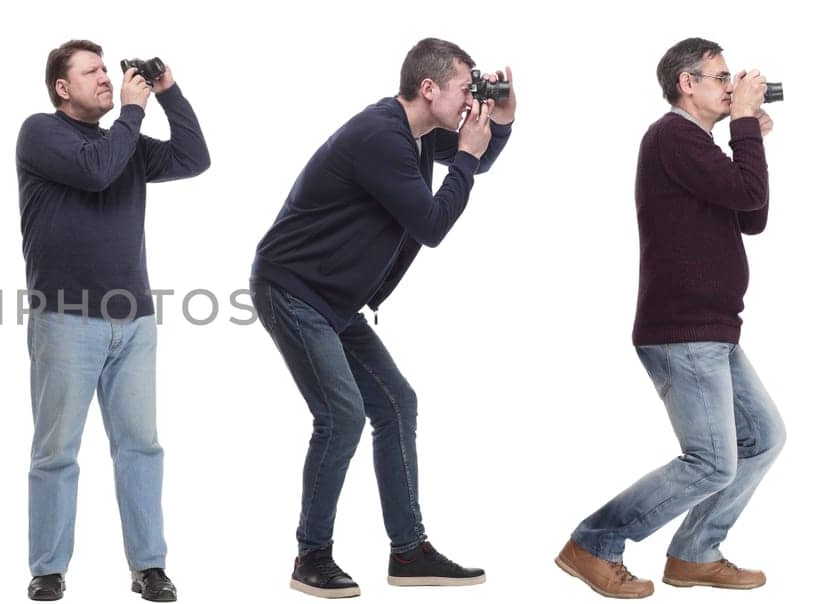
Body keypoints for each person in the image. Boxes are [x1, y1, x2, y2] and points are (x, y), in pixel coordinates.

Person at [248, 37, 513, 598]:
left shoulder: (414, 132)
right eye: (466, 89)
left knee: (396, 403)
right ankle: (311, 557)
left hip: (333, 300)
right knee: (341, 415)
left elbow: (476, 157)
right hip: (292, 289)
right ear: (428, 88)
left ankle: (409, 552)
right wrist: (465, 156)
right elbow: (433, 225)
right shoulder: (381, 136)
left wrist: (502, 123)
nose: (472, 99)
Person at [555, 37, 783, 600]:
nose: (733, 87)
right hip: (684, 330)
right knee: (711, 462)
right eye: (722, 77)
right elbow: (748, 191)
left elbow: (752, 214)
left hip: (715, 329)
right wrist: (746, 126)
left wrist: (746, 133)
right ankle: (594, 543)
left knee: (765, 437)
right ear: (688, 83)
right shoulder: (671, 136)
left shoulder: (698, 146)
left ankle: (695, 553)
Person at [15, 39, 210, 603]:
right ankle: (48, 569)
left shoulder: (121, 141)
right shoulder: (40, 133)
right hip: (65, 319)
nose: (106, 78)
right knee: (56, 450)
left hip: (135, 320)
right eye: (92, 72)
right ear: (61, 87)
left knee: (140, 447)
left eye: (108, 70)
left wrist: (168, 92)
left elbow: (194, 157)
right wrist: (132, 110)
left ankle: (149, 566)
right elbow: (98, 172)